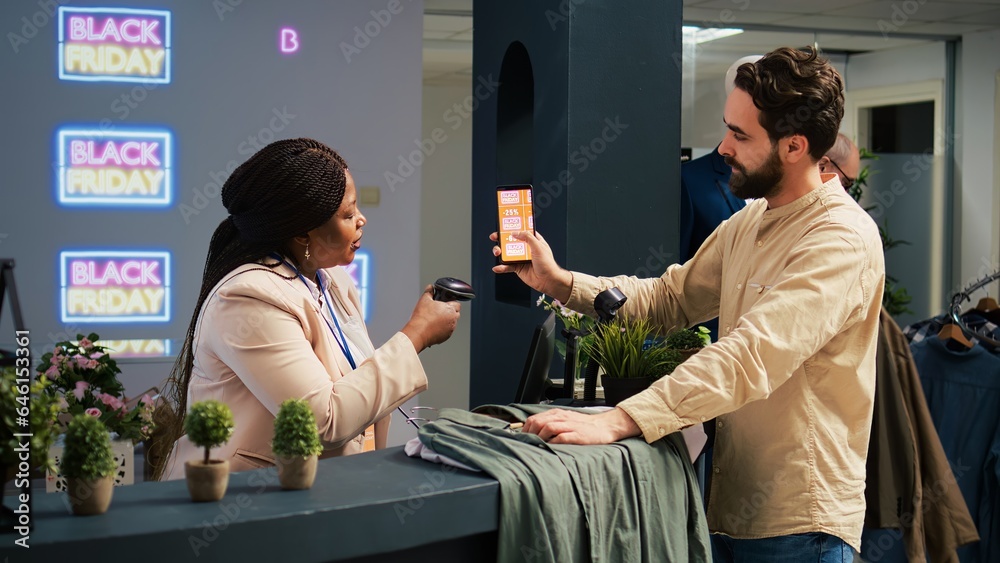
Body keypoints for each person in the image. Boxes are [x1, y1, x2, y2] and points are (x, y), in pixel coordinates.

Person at [493, 47, 884, 562]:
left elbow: (749, 357)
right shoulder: (751, 221)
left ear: (794, 146)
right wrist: (561, 282)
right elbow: (671, 297)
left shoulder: (840, 240)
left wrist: (621, 419)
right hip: (725, 509)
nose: (722, 147)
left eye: (741, 135)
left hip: (798, 528)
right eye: (728, 127)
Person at [152, 138, 461, 480]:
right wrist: (416, 334)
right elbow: (323, 419)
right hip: (246, 500)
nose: (362, 220)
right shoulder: (248, 298)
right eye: (347, 213)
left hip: (327, 488)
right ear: (302, 234)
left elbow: (355, 388)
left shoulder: (334, 282)